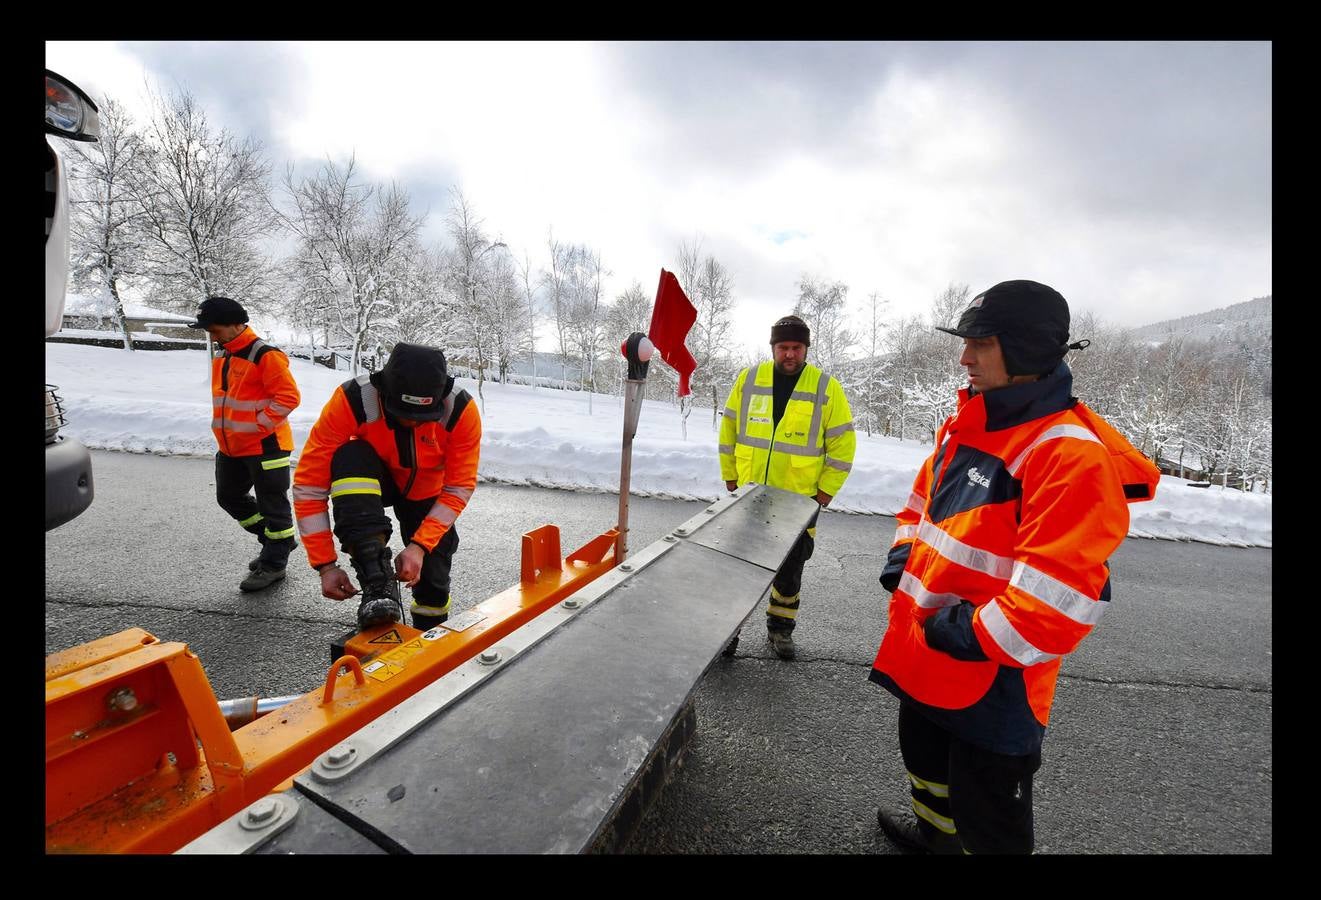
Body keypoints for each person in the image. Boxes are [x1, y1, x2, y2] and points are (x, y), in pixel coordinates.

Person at [869, 280, 1160, 854]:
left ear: (1024, 350)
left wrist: (966, 633)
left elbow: (1058, 601)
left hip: (995, 677)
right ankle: (935, 838)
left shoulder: (1067, 454)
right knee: (926, 764)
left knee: (989, 815)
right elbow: (923, 500)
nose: (964, 356)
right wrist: (904, 555)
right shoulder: (970, 422)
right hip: (929, 647)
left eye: (981, 342)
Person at [293, 342, 481, 631]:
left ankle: (427, 636)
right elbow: (309, 485)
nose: (411, 423)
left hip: (428, 490)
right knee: (349, 456)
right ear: (384, 390)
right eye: (402, 414)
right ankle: (377, 586)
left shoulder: (460, 410)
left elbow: (457, 487)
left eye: (421, 418)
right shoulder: (354, 399)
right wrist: (325, 564)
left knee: (433, 580)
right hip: (373, 477)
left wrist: (420, 546)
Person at [718, 314, 856, 660]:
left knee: (789, 572)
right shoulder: (749, 380)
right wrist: (730, 476)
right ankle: (728, 632)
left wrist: (824, 494)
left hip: (799, 501)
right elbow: (729, 431)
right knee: (738, 569)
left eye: (796, 347)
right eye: (783, 347)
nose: (790, 354)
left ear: (806, 349)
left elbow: (842, 446)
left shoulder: (826, 388)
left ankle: (780, 630)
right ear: (773, 348)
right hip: (749, 497)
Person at [189, 295, 301, 592]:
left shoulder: (265, 355)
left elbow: (288, 398)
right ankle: (275, 543)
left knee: (273, 505)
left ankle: (274, 564)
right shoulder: (224, 354)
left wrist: (256, 427)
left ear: (237, 325)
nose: (212, 336)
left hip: (266, 446)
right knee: (228, 497)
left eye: (215, 330)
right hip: (231, 446)